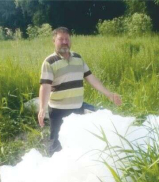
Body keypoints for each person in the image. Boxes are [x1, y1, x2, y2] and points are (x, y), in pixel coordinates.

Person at [38, 27, 122, 156]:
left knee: (76, 141)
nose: (65, 42)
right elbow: (45, 86)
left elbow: (91, 78)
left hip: (77, 108)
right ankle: (54, 171)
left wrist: (109, 94)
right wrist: (42, 108)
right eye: (61, 39)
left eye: (67, 39)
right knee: (57, 145)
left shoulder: (78, 58)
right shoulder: (49, 62)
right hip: (58, 110)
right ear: (54, 41)